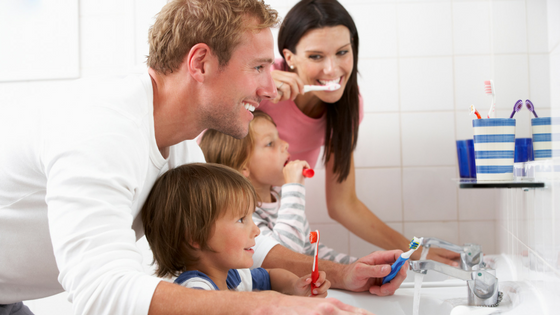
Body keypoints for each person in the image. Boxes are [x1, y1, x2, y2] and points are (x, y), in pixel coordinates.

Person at [0, 0, 406, 314]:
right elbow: (102, 292)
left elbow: (245, 236)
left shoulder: (178, 144)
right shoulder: (102, 129)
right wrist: (271, 305)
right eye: (259, 67)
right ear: (201, 62)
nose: (270, 89)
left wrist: (342, 275)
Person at [258, 0, 460, 266]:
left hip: (278, 220)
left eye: (342, 52)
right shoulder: (260, 80)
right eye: (316, 56)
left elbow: (343, 204)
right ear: (289, 57)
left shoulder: (348, 106)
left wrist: (414, 250)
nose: (332, 69)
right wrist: (251, 91)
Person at [141, 162, 331, 296]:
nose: (256, 230)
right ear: (196, 236)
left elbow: (270, 276)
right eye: (241, 220)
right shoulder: (195, 290)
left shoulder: (231, 276)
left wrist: (296, 285)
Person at [199, 110, 357, 264]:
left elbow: (309, 250)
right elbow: (288, 257)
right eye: (270, 143)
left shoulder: (281, 197)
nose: (285, 145)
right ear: (244, 167)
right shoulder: (243, 214)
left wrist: (355, 265)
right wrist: (294, 188)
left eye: (279, 137)